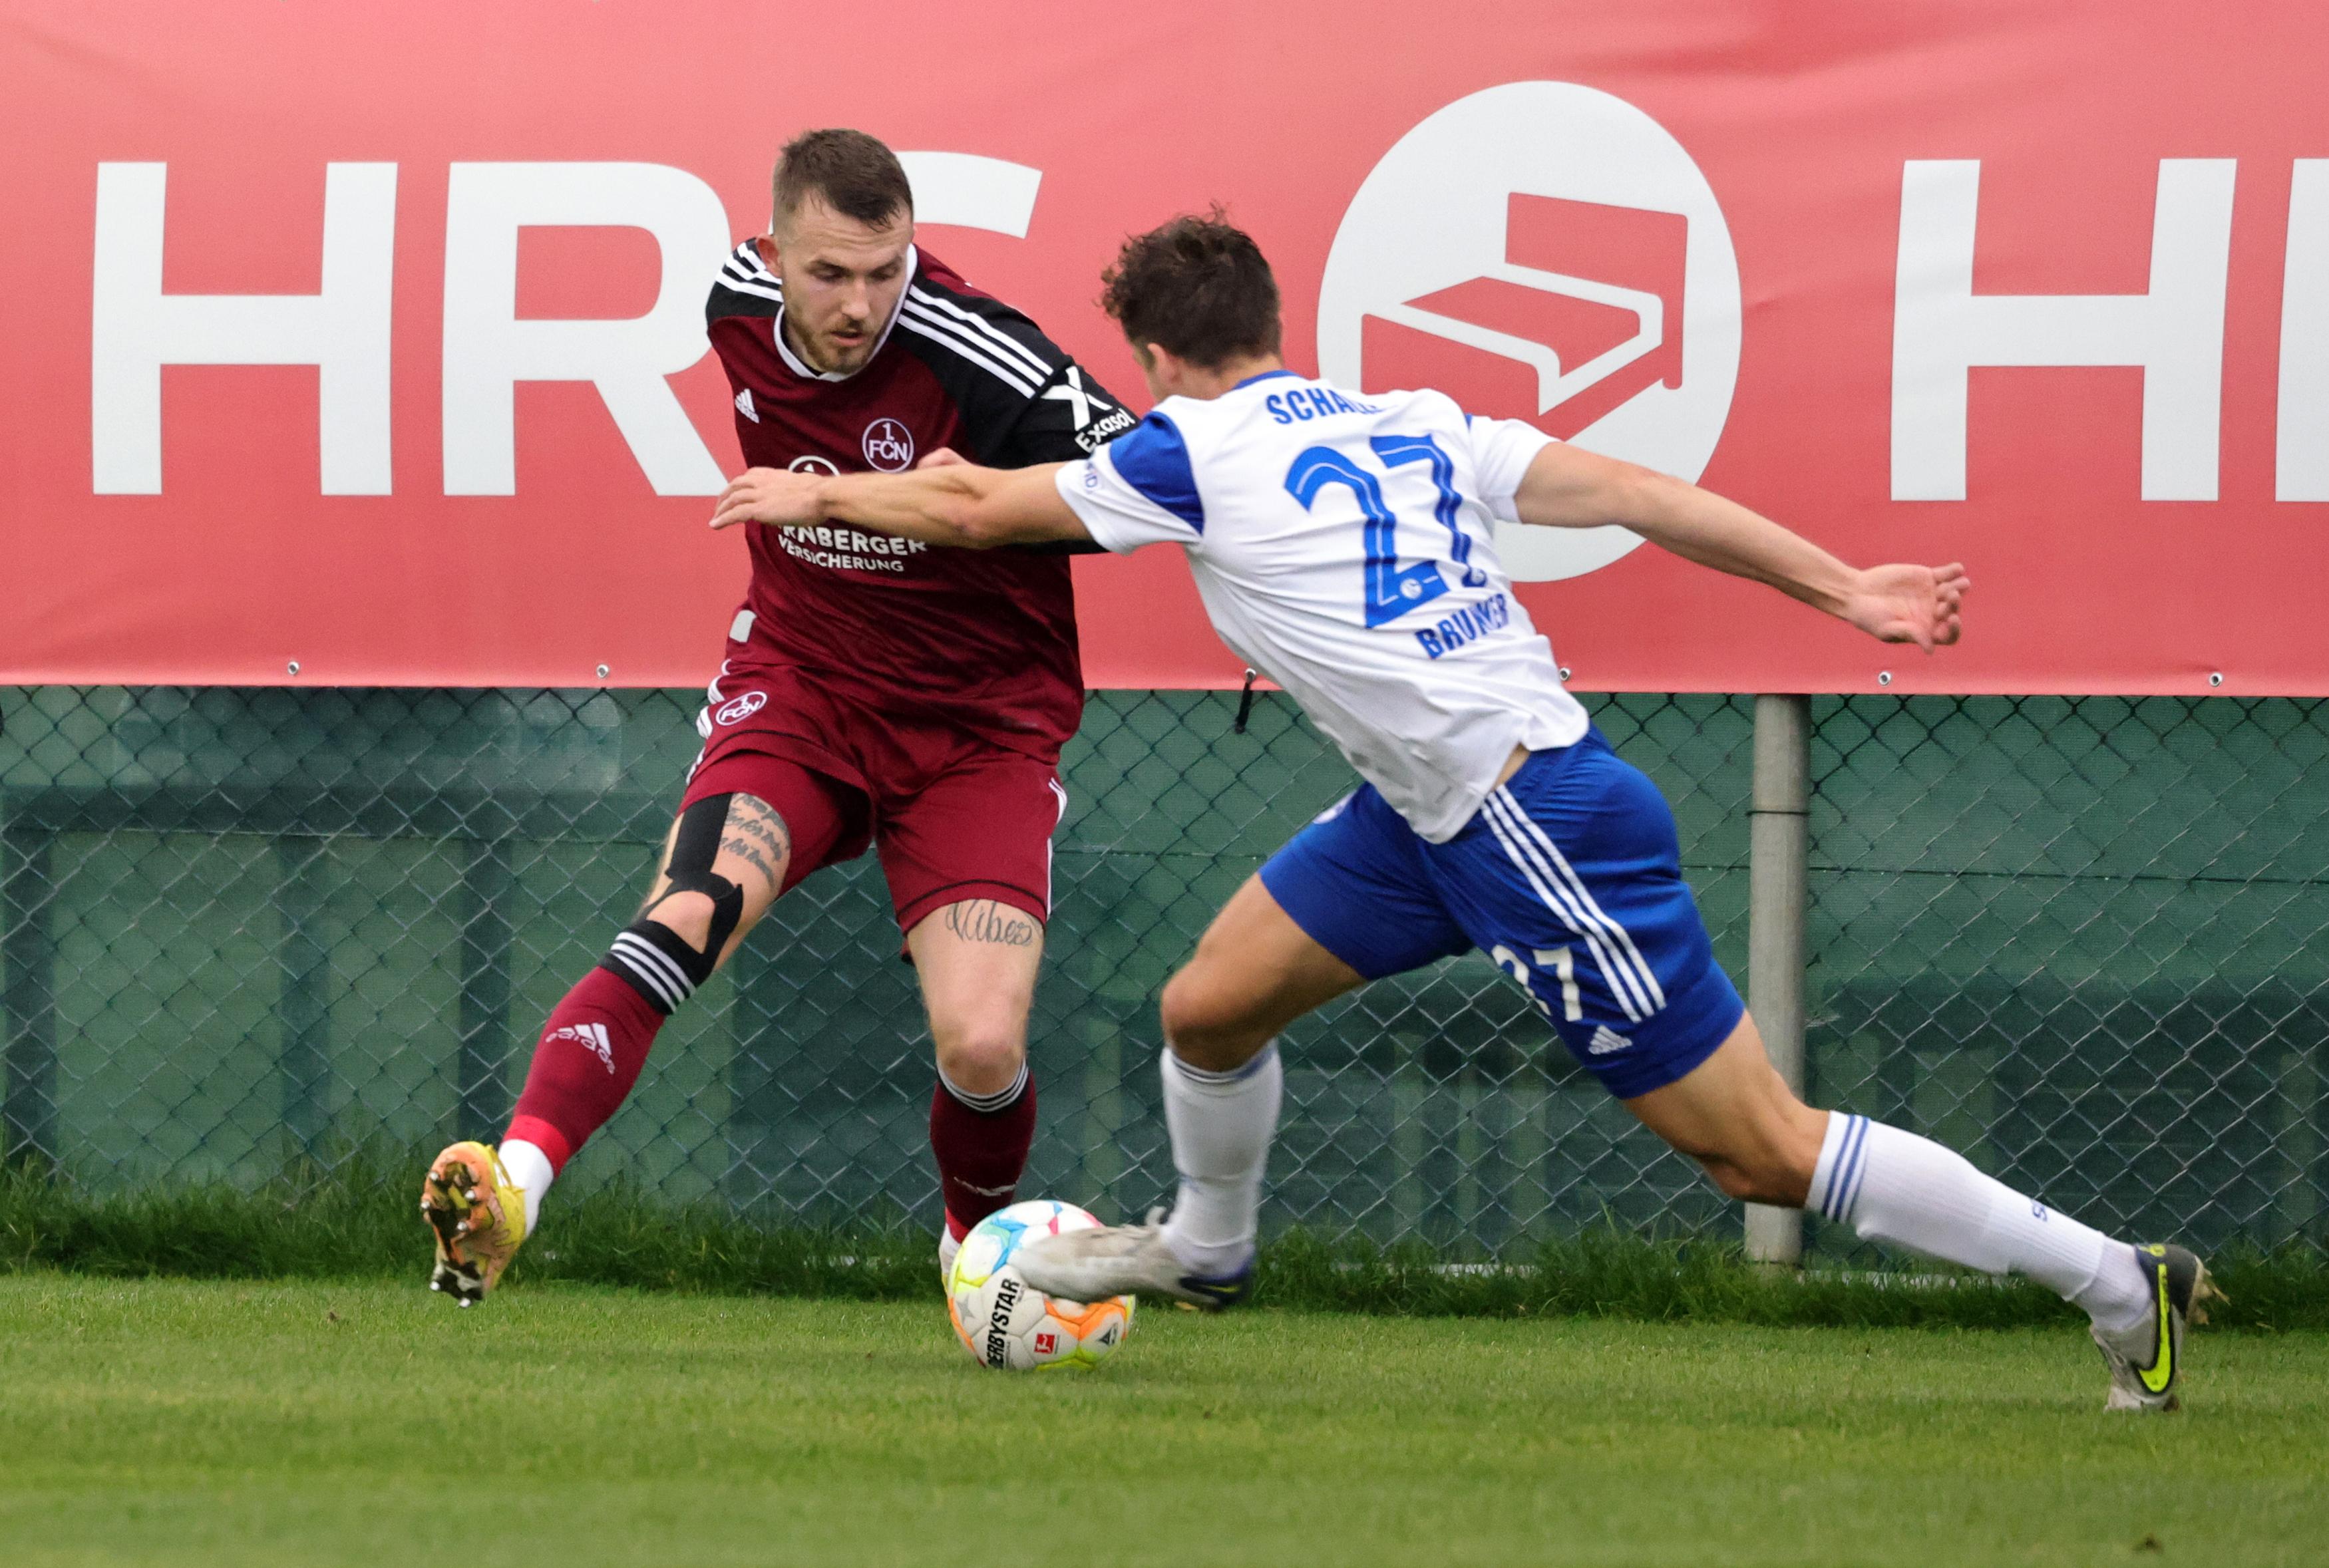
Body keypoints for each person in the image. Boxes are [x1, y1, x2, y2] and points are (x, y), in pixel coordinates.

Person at [709, 211, 2219, 1411]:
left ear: (1158, 355)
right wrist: (1840, 583)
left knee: (1758, 1149)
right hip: (1421, 812)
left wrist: (813, 489)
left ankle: (2111, 1283)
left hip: (1534, 823)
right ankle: (1211, 1251)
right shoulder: (1414, 422)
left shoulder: (1189, 447)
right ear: (1273, 327)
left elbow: (977, 502)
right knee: (1210, 1008)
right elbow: (1630, 488)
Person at [420, 129, 1136, 1305]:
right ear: (772, 252)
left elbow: (1142, 478)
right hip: (802, 691)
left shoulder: (985, 354)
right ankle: (511, 1187)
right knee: (685, 917)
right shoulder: (731, 301)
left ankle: (971, 1251)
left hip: (978, 730)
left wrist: (882, 498)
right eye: (829, 274)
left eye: (886, 270)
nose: (860, 305)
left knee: (984, 1046)